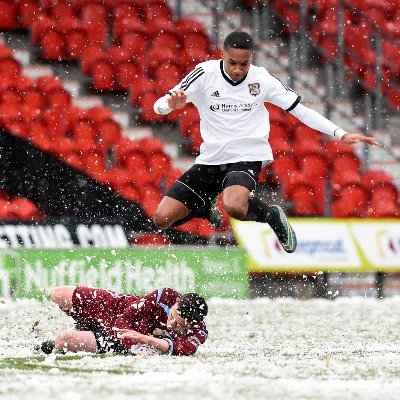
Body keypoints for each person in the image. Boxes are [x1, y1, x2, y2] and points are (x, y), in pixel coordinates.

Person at [153, 31, 378, 253]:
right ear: (222, 54)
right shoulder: (204, 73)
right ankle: (204, 206)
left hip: (247, 155)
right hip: (211, 158)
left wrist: (340, 133)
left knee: (234, 206)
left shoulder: (261, 79)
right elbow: (159, 105)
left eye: (244, 64)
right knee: (162, 218)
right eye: (232, 63)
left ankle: (272, 216)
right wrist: (171, 106)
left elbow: (301, 111)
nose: (238, 70)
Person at [37, 286, 208, 356]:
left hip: (119, 340)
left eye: (179, 325)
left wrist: (145, 340)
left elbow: (180, 349)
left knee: (63, 340)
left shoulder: (197, 333)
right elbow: (124, 319)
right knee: (58, 294)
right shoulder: (166, 296)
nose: (172, 325)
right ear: (176, 302)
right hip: (118, 309)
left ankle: (80, 338)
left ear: (192, 325)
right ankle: (86, 326)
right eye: (172, 317)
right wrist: (137, 345)